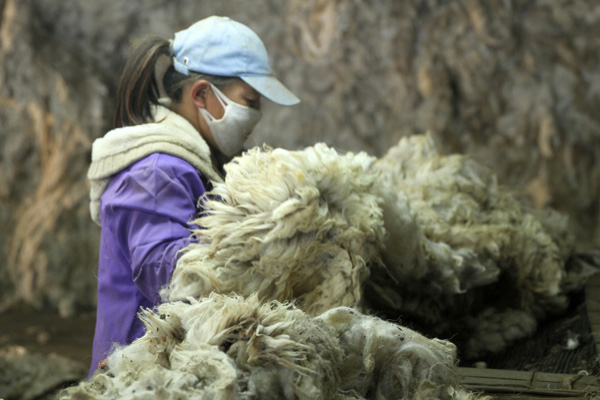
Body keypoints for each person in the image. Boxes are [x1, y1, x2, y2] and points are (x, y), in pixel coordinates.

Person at [86, 15, 300, 377]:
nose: (256, 116)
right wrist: (257, 243)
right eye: (249, 101)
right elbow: (168, 276)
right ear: (201, 94)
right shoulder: (154, 172)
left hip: (176, 369)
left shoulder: (196, 160)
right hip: (140, 376)